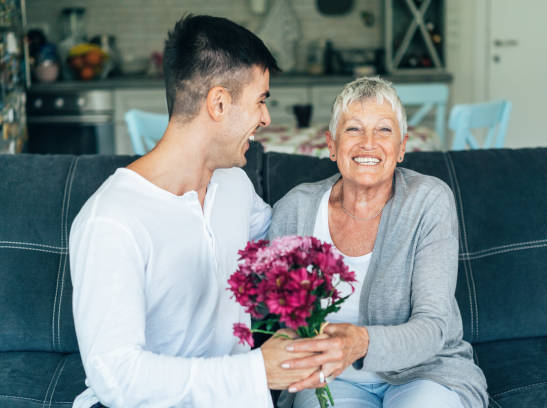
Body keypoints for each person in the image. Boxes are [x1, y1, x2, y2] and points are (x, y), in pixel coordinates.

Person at [69, 15, 317, 408]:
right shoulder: (112, 220)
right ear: (219, 103)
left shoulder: (233, 185)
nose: (266, 118)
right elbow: (117, 376)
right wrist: (256, 371)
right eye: (261, 100)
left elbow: (280, 244)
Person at [269, 77, 488, 407]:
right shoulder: (295, 210)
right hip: (330, 379)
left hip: (425, 372)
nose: (368, 143)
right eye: (354, 129)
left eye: (384, 130)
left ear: (401, 148)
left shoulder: (428, 201)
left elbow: (433, 328)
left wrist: (360, 343)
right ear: (331, 144)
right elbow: (281, 321)